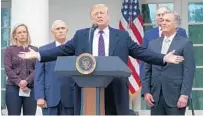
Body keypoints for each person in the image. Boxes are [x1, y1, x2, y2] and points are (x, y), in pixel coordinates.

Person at [18, 4, 184, 115]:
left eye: (101, 13)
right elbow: (63, 49)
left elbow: (141, 52)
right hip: (88, 88)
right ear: (91, 17)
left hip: (116, 86)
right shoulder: (82, 35)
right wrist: (39, 55)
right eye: (95, 14)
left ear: (108, 15)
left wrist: (163, 58)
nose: (99, 16)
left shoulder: (121, 35)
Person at [141, 11, 195, 115]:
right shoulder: (152, 44)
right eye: (162, 21)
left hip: (176, 97)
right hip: (155, 97)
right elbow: (147, 70)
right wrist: (146, 91)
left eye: (167, 21)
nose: (163, 23)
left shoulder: (185, 43)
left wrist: (184, 94)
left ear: (176, 24)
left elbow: (189, 71)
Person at [34, 20, 74, 115]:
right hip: (49, 97)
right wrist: (40, 96)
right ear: (52, 32)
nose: (61, 31)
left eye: (63, 28)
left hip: (70, 97)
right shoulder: (44, 50)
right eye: (57, 29)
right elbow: (39, 75)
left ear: (67, 30)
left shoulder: (74, 49)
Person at [140, 6, 188, 81]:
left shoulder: (181, 32)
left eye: (163, 14)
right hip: (154, 78)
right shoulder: (148, 34)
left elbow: (186, 58)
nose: (161, 17)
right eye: (158, 15)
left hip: (174, 77)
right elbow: (144, 57)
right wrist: (143, 79)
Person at [4, 24, 38, 115]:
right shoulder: (9, 50)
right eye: (19, 32)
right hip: (13, 87)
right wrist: (19, 82)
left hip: (31, 87)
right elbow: (8, 69)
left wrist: (26, 81)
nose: (22, 34)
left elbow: (38, 68)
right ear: (15, 35)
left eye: (24, 32)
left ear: (27, 34)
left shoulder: (34, 50)